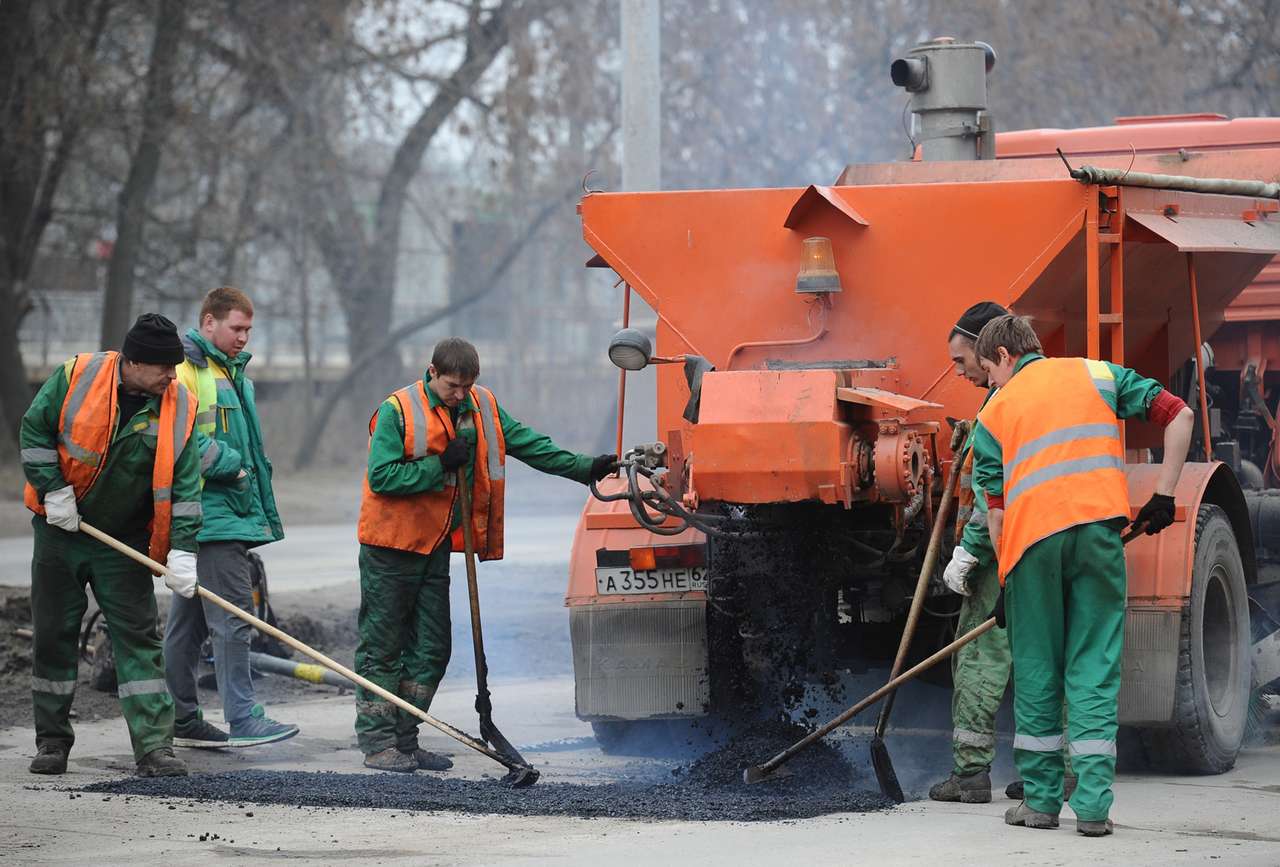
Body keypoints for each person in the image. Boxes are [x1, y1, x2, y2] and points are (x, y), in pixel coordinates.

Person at [971, 314, 1194, 837]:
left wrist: (1005, 582)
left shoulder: (995, 412)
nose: (988, 384)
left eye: (987, 372)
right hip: (1098, 538)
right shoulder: (1100, 375)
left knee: (1037, 670)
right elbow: (1179, 416)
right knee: (1094, 667)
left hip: (1031, 548)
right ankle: (1093, 808)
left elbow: (997, 513)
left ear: (1004, 356)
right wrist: (1164, 493)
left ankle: (1042, 804)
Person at [354, 337, 618, 772]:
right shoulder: (397, 410)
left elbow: (531, 445)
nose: (461, 395)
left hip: (434, 546)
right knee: (383, 647)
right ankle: (378, 744)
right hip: (390, 548)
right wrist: (440, 464)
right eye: (453, 386)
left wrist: (584, 467)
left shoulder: (482, 407)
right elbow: (381, 477)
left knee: (433, 648)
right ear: (432, 372)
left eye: (467, 386)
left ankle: (407, 737)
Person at [20, 313, 202, 777]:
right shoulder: (76, 376)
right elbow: (34, 432)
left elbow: (185, 484)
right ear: (135, 362)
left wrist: (183, 550)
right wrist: (52, 489)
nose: (171, 376)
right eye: (164, 368)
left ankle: (154, 748)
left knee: (139, 639)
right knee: (54, 635)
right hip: (61, 530)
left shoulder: (179, 404)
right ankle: (52, 743)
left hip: (124, 543)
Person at [930, 302, 1074, 805]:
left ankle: (971, 775)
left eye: (963, 360)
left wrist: (969, 553)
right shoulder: (1045, 395)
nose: (962, 372)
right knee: (1050, 655)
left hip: (1001, 551)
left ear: (990, 350)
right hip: (1053, 539)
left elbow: (991, 495)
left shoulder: (1001, 407)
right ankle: (1058, 773)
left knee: (978, 657)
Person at [163, 287, 296, 748]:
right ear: (209, 323)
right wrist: (234, 466)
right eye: (236, 328)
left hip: (215, 515)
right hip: (212, 516)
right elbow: (178, 443)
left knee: (189, 625)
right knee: (234, 620)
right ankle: (243, 717)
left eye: (248, 329)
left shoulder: (227, 370)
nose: (244, 337)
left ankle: (179, 719)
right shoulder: (186, 371)